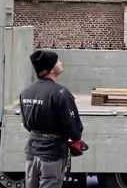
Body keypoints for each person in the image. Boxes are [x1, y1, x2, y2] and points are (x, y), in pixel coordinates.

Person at [20, 50, 85, 188]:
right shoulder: (61, 93)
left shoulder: (26, 93)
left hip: (32, 153)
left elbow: (26, 124)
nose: (60, 63)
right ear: (51, 69)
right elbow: (73, 124)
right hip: (52, 154)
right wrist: (75, 137)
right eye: (57, 61)